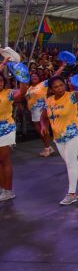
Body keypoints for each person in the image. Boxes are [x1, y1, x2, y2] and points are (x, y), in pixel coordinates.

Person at [42, 76, 78, 205]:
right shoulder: (49, 100)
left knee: (70, 163)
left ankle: (71, 193)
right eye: (56, 87)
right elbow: (44, 115)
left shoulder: (72, 96)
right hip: (59, 137)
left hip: (74, 133)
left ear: (65, 85)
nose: (59, 88)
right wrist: (44, 125)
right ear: (51, 89)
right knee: (71, 162)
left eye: (61, 85)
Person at [0, 65, 28, 202]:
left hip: (5, 129)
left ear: (4, 82)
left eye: (0, 81)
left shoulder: (9, 93)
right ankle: (3, 188)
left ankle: (8, 190)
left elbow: (22, 92)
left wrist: (22, 77)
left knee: (4, 159)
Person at [26, 67, 63, 157]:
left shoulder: (43, 84)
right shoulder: (29, 87)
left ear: (39, 78)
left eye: (36, 76)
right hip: (33, 111)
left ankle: (48, 148)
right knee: (40, 131)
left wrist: (62, 67)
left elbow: (54, 77)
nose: (34, 77)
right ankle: (48, 147)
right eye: (32, 76)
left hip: (42, 110)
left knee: (43, 130)